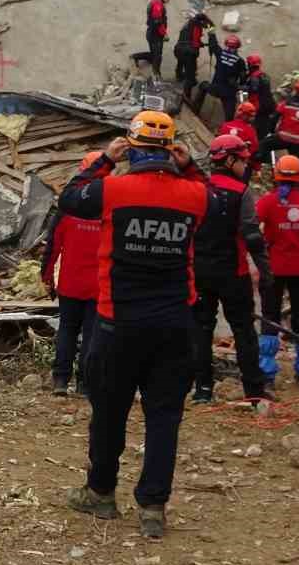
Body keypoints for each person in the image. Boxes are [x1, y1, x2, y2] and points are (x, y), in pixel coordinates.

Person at [57, 111, 207, 539]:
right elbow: (216, 201)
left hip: (116, 326)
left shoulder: (113, 190)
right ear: (170, 150)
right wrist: (189, 166)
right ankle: (153, 508)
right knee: (164, 417)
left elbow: (70, 199)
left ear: (132, 147)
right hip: (175, 326)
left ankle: (101, 494)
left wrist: (104, 159)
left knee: (108, 413)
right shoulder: (193, 195)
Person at [191, 133, 274, 402]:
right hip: (233, 273)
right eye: (242, 161)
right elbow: (252, 235)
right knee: (244, 330)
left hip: (201, 272)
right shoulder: (241, 192)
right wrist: (265, 271)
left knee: (201, 329)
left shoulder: (197, 189)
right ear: (228, 160)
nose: (245, 166)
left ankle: (203, 389)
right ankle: (253, 390)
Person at [42, 151, 103, 396]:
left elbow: (52, 248)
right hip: (98, 286)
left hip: (70, 283)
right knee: (91, 332)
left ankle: (60, 380)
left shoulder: (67, 211)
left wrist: (46, 277)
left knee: (67, 329)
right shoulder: (111, 210)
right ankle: (84, 384)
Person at [255, 155, 299, 382]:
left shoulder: (267, 202)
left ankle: (266, 371)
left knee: (270, 317)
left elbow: (252, 228)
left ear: (276, 176)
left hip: (274, 269)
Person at [172, 9, 214, 103]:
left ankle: (178, 76)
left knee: (180, 62)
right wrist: (199, 44)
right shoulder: (197, 27)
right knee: (190, 74)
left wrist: (199, 43)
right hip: (188, 52)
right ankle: (187, 96)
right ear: (201, 22)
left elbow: (189, 38)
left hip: (178, 49)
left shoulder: (187, 24)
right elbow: (194, 43)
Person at [203, 34, 246, 121]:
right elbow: (243, 77)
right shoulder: (240, 61)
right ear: (237, 47)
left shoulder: (220, 53)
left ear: (226, 45)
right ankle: (228, 127)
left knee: (203, 86)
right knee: (229, 115)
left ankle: (195, 107)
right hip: (228, 93)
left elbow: (214, 45)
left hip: (214, 89)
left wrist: (212, 33)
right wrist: (240, 86)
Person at [219, 101, 261, 174]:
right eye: (252, 116)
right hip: (238, 165)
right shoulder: (250, 131)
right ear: (246, 116)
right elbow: (254, 150)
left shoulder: (225, 125)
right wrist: (257, 168)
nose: (253, 118)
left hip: (221, 161)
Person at [242, 55, 277, 139]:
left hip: (259, 106)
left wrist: (239, 87)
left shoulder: (254, 76)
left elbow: (254, 89)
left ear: (250, 65)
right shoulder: (264, 75)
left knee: (257, 128)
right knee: (264, 127)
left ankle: (258, 145)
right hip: (269, 105)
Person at [143, 0, 172, 78]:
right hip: (155, 35)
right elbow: (158, 22)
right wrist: (164, 34)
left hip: (151, 33)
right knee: (157, 56)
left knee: (153, 52)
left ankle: (152, 64)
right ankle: (156, 74)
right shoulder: (157, 5)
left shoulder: (156, 1)